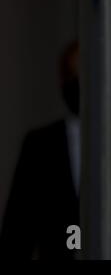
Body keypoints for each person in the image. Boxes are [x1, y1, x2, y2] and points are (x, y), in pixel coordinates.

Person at [0, 41, 80, 259]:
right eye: (72, 76)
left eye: (82, 75)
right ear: (62, 81)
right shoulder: (40, 144)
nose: (78, 83)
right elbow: (17, 228)